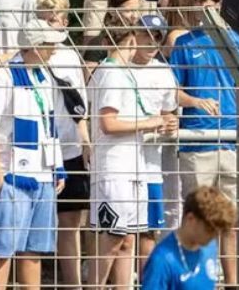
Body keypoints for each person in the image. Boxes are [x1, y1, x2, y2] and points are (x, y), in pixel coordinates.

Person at [169, 0, 239, 285]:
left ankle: (231, 283)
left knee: (231, 222)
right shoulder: (184, 42)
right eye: (197, 0)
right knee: (198, 220)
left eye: (206, 0)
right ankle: (197, 282)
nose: (200, 6)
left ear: (221, 3)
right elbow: (170, 90)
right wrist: (195, 100)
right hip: (196, 144)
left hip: (234, 144)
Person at [0, 20, 64, 290]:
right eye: (49, 45)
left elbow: (50, 125)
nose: (53, 50)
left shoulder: (44, 76)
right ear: (35, 46)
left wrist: (57, 167)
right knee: (2, 252)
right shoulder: (3, 76)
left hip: (43, 174)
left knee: (33, 251)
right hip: (13, 175)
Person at [86, 21, 167, 289]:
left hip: (134, 166)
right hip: (114, 168)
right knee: (113, 237)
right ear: (131, 40)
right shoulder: (110, 73)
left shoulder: (123, 72)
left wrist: (153, 121)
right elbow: (108, 123)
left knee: (128, 239)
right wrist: (149, 123)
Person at [35, 0, 90, 287]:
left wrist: (85, 142)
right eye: (44, 17)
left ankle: (72, 284)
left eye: (55, 17)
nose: (50, 22)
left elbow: (80, 104)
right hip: (41, 149)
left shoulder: (69, 54)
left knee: (70, 224)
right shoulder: (27, 53)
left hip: (69, 147)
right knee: (37, 220)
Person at [130, 14, 181, 276]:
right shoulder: (118, 66)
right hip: (122, 165)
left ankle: (147, 282)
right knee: (120, 235)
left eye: (157, 37)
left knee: (149, 230)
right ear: (134, 35)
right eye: (147, 35)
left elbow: (170, 113)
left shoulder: (164, 71)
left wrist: (171, 123)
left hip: (151, 165)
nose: (152, 42)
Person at [141, 186, 236, 289]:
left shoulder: (209, 246)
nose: (214, 236)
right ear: (191, 219)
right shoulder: (162, 260)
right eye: (209, 230)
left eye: (217, 232)